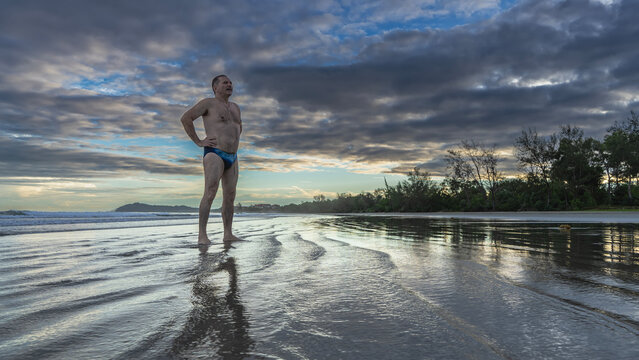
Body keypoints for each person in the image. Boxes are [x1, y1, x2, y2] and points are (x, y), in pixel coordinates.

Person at [180, 75, 242, 245]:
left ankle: (228, 234)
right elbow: (186, 118)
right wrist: (199, 141)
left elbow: (238, 128)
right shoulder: (208, 103)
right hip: (215, 153)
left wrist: (233, 145)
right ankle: (202, 236)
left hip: (233, 156)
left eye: (230, 82)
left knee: (230, 196)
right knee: (210, 192)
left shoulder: (236, 107)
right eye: (225, 82)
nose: (230, 84)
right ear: (215, 88)